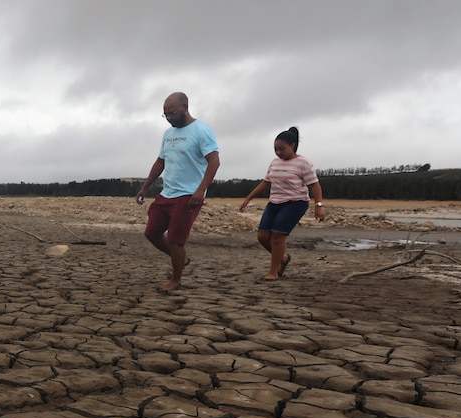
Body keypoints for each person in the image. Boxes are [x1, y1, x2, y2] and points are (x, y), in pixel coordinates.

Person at [135, 92, 220, 291]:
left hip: (189, 195)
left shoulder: (201, 130)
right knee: (152, 232)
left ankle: (176, 280)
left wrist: (201, 190)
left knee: (175, 239)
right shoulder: (168, 134)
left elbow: (214, 161)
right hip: (167, 193)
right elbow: (160, 162)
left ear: (184, 107)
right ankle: (182, 259)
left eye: (172, 113)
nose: (169, 118)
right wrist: (145, 187)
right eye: (165, 115)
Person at [238, 127, 326, 280]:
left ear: (292, 145)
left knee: (277, 237)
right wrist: (248, 199)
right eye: (275, 149)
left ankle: (273, 272)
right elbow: (266, 182)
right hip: (274, 203)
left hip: (295, 203)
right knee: (262, 237)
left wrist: (318, 206)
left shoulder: (303, 163)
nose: (278, 152)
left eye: (282, 149)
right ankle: (283, 258)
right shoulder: (274, 162)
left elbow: (314, 185)